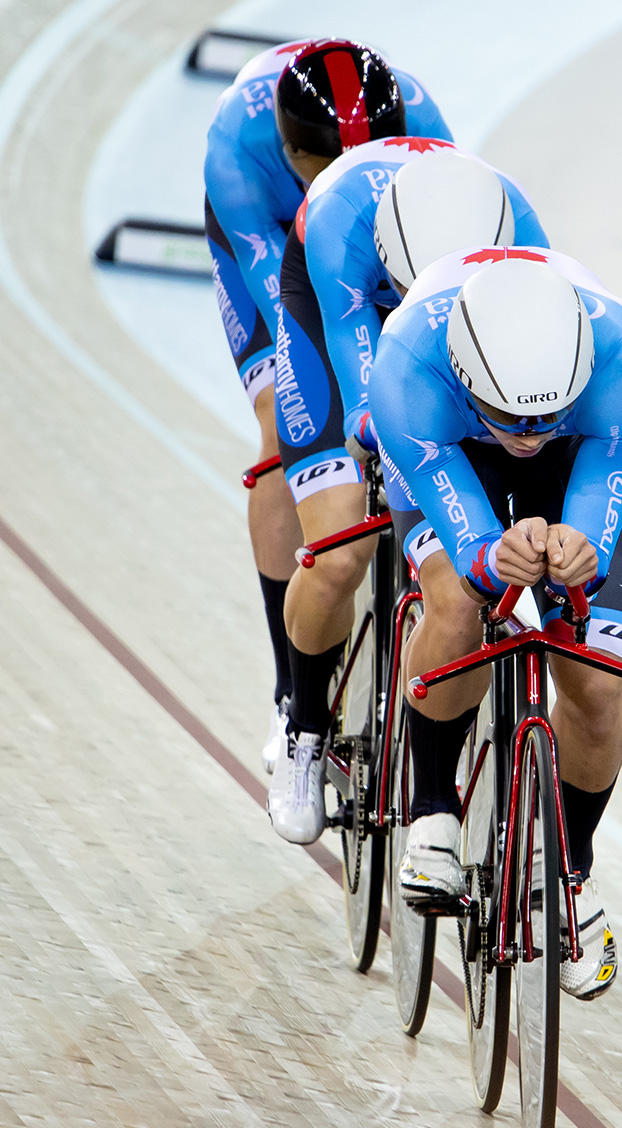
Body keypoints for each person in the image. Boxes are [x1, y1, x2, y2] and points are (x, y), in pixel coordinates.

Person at [368, 247, 622, 999]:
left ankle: (564, 866)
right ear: (471, 379)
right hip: (450, 447)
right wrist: (486, 556)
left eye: (545, 413)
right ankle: (432, 810)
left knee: (599, 691)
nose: (529, 430)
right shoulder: (406, 371)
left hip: (588, 448)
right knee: (457, 598)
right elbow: (471, 554)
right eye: (513, 416)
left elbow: (598, 514)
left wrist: (583, 551)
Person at [266, 141, 548, 842]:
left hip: (460, 356)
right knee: (337, 553)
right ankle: (302, 721)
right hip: (347, 319)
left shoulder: (523, 236)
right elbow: (372, 403)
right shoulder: (341, 228)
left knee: (467, 582)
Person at [203, 39, 452, 780]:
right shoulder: (236, 150)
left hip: (375, 251)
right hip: (276, 261)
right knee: (289, 416)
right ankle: (293, 695)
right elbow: (290, 303)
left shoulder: (425, 125)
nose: (340, 179)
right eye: (322, 168)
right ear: (289, 151)